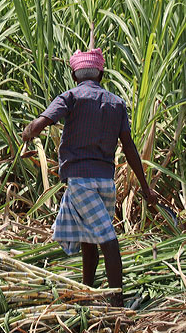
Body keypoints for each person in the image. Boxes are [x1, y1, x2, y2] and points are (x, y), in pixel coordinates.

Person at [21, 47, 156, 307]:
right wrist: (145, 187)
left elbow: (38, 126)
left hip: (81, 181)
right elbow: (129, 148)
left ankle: (116, 301)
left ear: (74, 76)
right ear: (101, 74)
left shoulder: (70, 97)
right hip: (105, 181)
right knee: (88, 239)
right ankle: (87, 293)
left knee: (106, 238)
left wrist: (27, 133)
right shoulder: (115, 103)